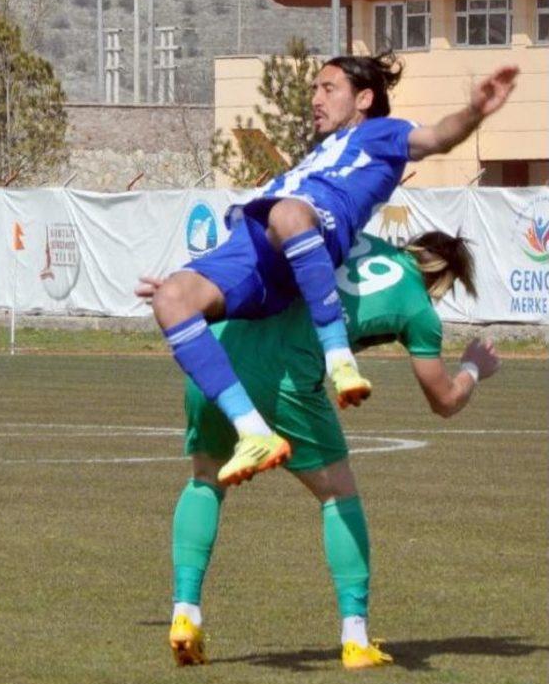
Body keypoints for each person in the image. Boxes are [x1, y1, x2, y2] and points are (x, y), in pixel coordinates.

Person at [136, 231, 501, 669]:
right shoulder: (418, 306)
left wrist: (183, 296)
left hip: (217, 350)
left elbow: (261, 252)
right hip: (288, 377)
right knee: (337, 496)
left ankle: (184, 615)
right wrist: (474, 368)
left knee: (204, 481)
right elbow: (443, 400)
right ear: (442, 281)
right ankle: (355, 637)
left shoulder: (351, 237)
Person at [151, 53, 518, 488]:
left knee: (289, 214)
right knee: (170, 298)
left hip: (302, 231)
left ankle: (339, 359)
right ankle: (252, 433)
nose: (315, 99)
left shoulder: (382, 133)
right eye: (313, 89)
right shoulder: (318, 154)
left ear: (364, 98)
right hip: (254, 238)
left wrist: (474, 111)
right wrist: (197, 289)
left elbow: (437, 137)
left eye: (328, 88)